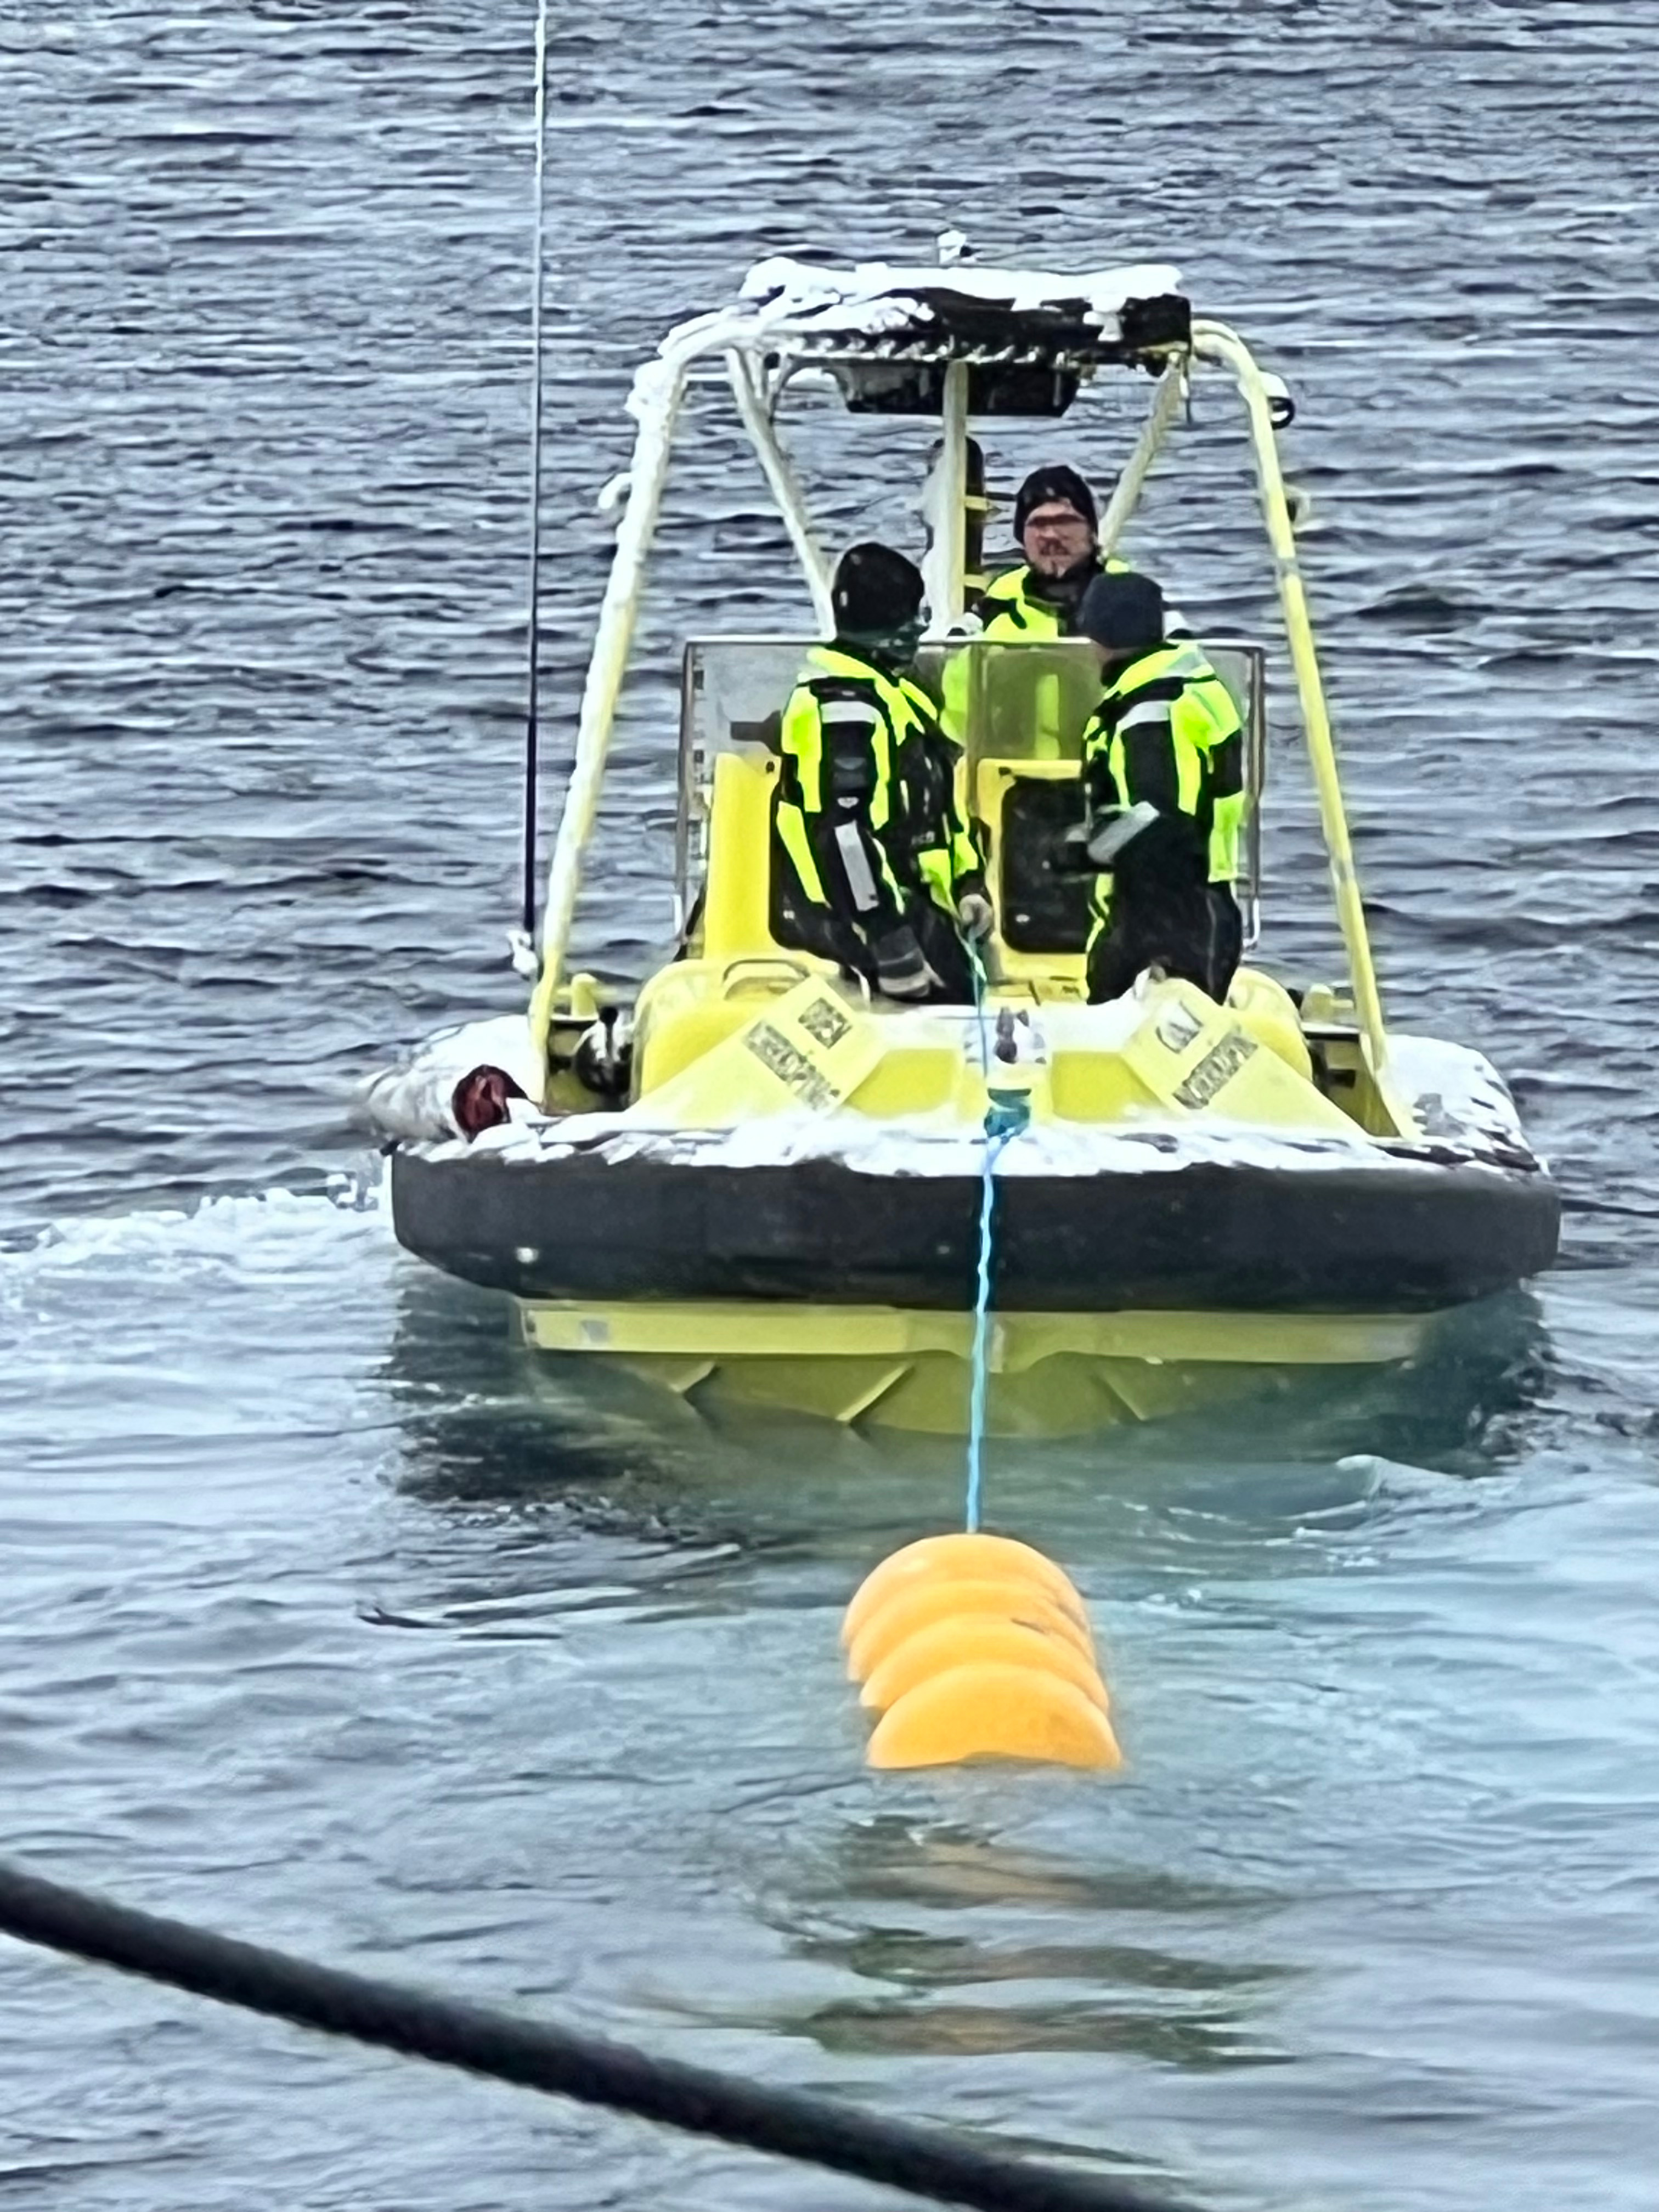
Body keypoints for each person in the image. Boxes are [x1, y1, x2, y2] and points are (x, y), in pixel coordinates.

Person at [772, 543, 991, 1002]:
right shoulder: (844, 711)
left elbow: (940, 813)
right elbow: (843, 835)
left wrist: (968, 886)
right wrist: (891, 945)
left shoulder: (898, 697)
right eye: (910, 616)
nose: (919, 628)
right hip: (870, 926)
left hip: (923, 910)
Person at [1071, 571, 1246, 1006]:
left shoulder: (1148, 714)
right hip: (1206, 903)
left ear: (1101, 637)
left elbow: (1157, 819)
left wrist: (1078, 850)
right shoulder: (1190, 687)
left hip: (1165, 919)